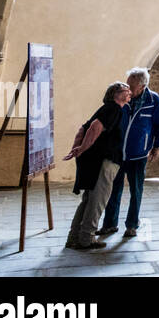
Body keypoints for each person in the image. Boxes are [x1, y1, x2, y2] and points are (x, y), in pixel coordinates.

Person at [99, 67, 159, 239]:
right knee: (113, 189)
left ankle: (132, 225)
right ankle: (109, 224)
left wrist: (157, 146)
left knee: (136, 191)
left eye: (132, 86)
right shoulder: (123, 97)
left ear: (143, 86)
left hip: (138, 154)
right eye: (127, 84)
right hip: (117, 153)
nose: (128, 89)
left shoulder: (153, 100)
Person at [64, 82, 130, 250]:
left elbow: (82, 129)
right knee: (97, 202)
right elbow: (94, 128)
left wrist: (77, 149)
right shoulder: (114, 108)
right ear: (115, 94)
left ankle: (73, 237)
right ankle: (86, 239)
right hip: (104, 161)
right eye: (125, 90)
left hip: (94, 161)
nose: (129, 92)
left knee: (88, 201)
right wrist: (82, 148)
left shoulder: (106, 108)